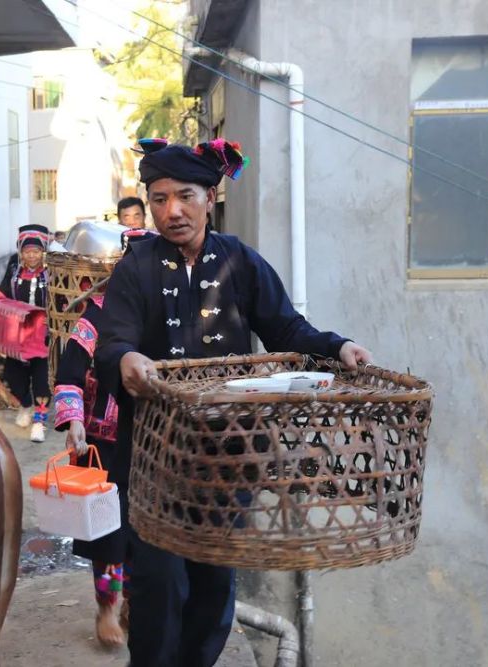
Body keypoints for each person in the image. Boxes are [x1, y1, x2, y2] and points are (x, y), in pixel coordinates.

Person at [95, 138, 372, 667]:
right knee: (158, 583)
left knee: (213, 584)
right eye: (157, 198)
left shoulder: (240, 262)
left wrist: (337, 346)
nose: (171, 211)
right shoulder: (136, 267)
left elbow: (286, 327)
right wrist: (125, 360)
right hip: (156, 460)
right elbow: (114, 343)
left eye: (184, 196)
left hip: (229, 459)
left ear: (210, 196)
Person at [52, 228, 157, 647]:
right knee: (107, 534)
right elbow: (69, 376)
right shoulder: (93, 317)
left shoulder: (160, 317)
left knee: (145, 530)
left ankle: (134, 601)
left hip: (151, 441)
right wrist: (73, 421)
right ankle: (107, 607)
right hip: (101, 446)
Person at [0, 224, 52, 443]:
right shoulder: (14, 272)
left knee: (42, 381)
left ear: (43, 252)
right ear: (21, 252)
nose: (32, 256)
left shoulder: (50, 273)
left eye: (36, 251)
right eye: (27, 251)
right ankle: (25, 405)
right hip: (17, 337)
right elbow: (0, 294)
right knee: (14, 376)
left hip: (42, 337)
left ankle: (39, 421)